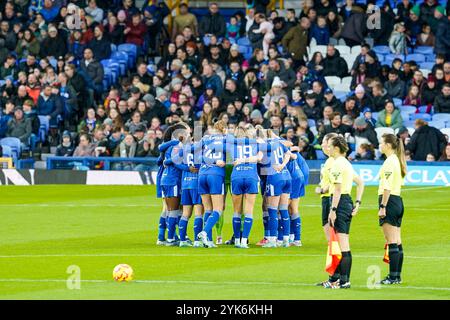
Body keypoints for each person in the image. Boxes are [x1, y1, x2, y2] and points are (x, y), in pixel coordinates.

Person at [321, 135, 364, 289]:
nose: (328, 148)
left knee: (342, 243)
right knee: (341, 242)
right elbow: (359, 182)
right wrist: (357, 203)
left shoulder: (338, 164)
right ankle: (341, 280)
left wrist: (333, 210)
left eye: (330, 146)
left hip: (340, 202)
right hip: (345, 202)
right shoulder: (345, 163)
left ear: (336, 148)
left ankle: (344, 281)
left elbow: (337, 189)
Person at [377, 133, 407, 285]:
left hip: (390, 201)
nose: (380, 145)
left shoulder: (390, 162)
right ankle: (397, 276)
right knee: (397, 241)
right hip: (398, 201)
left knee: (391, 241)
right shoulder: (396, 160)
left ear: (388, 145)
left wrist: (382, 206)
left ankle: (392, 277)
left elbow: (387, 186)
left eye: (381, 142)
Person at [196, 120, 229, 248]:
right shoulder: (226, 139)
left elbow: (197, 156)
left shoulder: (205, 139)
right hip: (215, 175)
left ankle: (208, 241)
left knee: (208, 209)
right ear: (224, 129)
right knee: (218, 209)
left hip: (202, 174)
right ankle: (204, 233)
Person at [229, 127, 263, 248]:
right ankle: (244, 241)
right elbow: (259, 158)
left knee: (236, 211)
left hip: (236, 176)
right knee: (249, 211)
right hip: (251, 176)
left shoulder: (232, 144)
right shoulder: (257, 143)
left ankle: (237, 240)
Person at [158, 123, 189, 246]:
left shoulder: (172, 146)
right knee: (173, 211)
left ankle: (167, 237)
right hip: (173, 180)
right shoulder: (177, 146)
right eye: (186, 133)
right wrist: (188, 169)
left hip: (166, 179)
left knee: (169, 209)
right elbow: (175, 162)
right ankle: (171, 238)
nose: (188, 135)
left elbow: (162, 159)